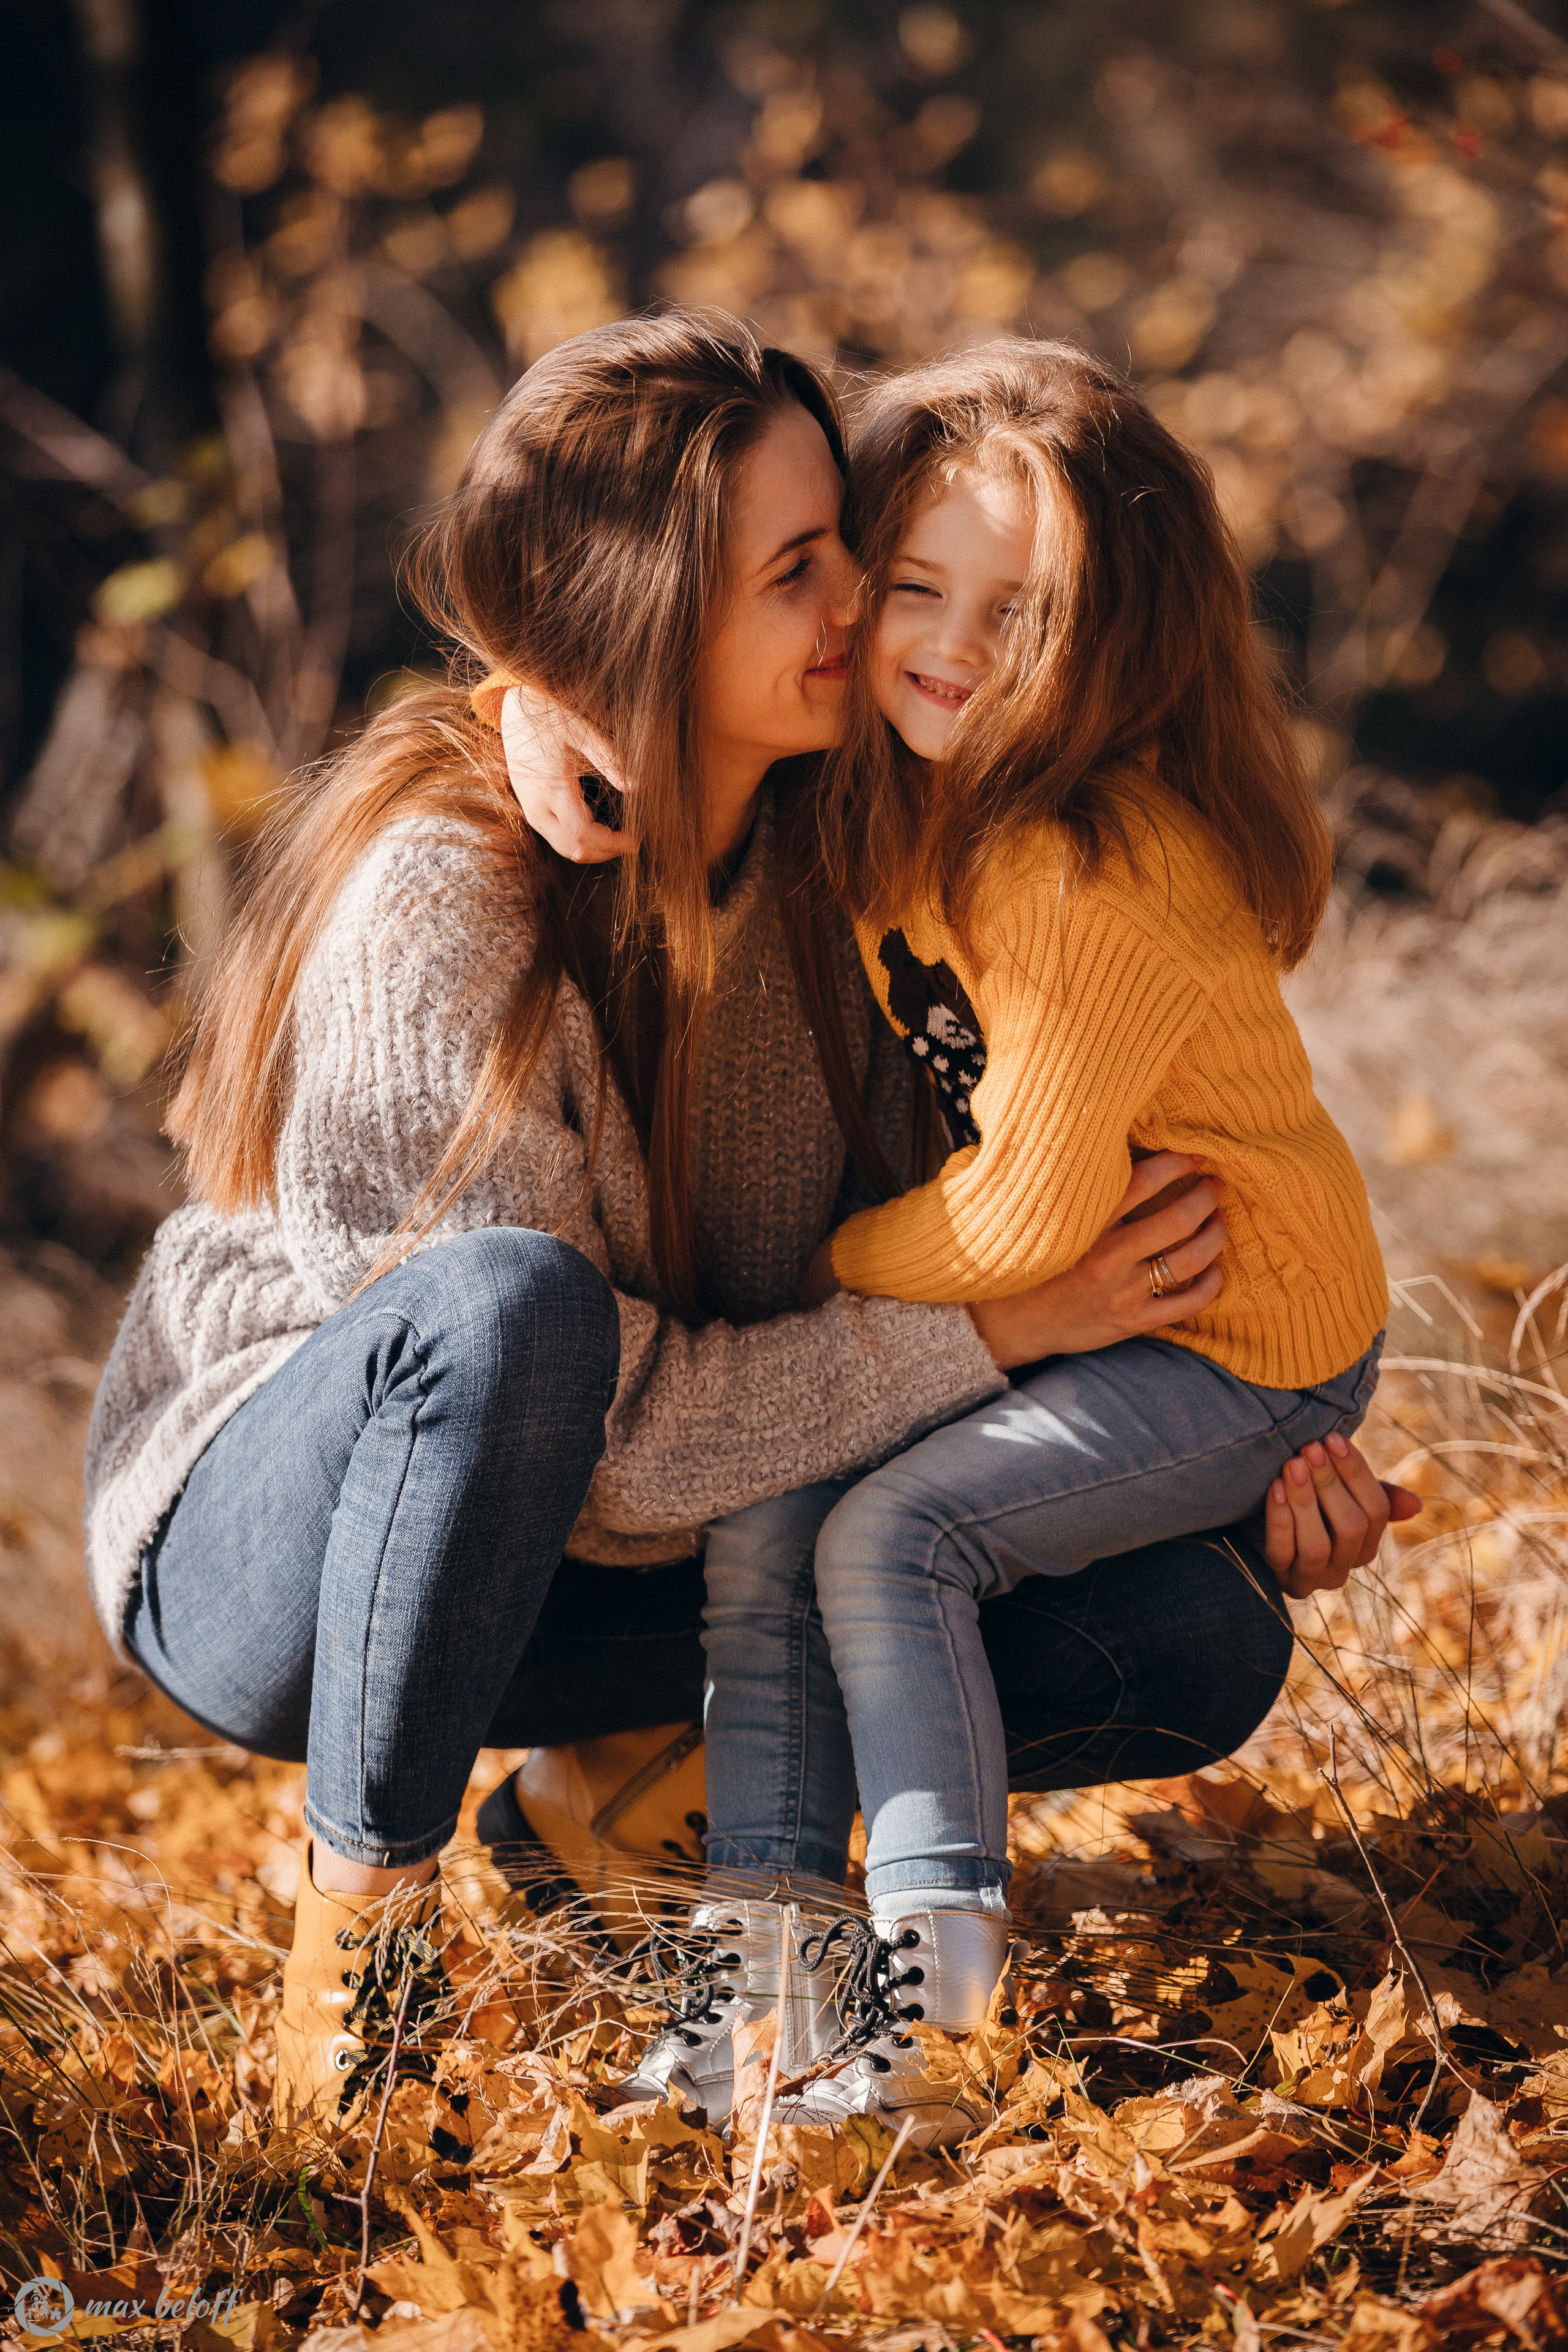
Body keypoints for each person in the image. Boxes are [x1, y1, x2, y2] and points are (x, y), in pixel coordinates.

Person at [81, 312, 1401, 2139]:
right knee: (505, 1311)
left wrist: (1204, 1442)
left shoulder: (860, 853)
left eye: (850, 552)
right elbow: (588, 1430)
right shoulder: (448, 899)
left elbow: (1012, 1171)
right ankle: (368, 1929)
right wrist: (1008, 1330)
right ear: (642, 624)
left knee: (1194, 1634)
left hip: (643, 1548)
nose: (867, 608)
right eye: (805, 573)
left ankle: (610, 1812)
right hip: (295, 1566)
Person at [504, 337, 1398, 2147]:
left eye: (1026, 613)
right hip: (1070, 1315)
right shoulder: (901, 795)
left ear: (1118, 639)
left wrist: (839, 1273)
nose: (953, 648)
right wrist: (538, 693)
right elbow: (659, 515)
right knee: (774, 1507)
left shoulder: (1082, 869)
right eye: (917, 587)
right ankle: (750, 1981)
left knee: (894, 1535)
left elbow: (1030, 1214)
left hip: (1237, 1328)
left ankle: (934, 2012)